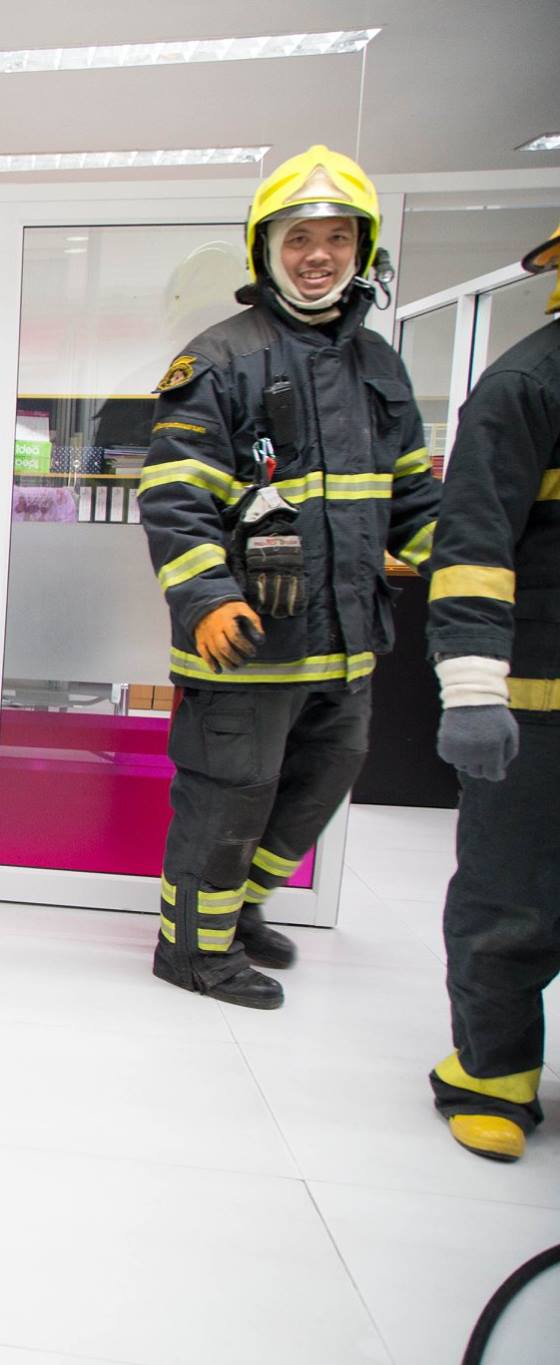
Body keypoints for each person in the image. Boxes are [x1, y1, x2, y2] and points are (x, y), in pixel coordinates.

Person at [139, 145, 441, 1010]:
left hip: (344, 642)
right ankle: (192, 949)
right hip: (246, 641)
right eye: (300, 237)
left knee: (321, 782)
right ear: (266, 249)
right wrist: (207, 596)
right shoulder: (220, 358)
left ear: (362, 249)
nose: (319, 255)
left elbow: (413, 494)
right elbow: (174, 495)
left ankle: (239, 910)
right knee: (228, 797)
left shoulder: (380, 364)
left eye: (338, 237)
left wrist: (455, 563)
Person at [424, 220, 560, 1163]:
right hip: (540, 704)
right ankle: (493, 1072)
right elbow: (472, 545)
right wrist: (473, 688)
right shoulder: (527, 383)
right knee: (514, 896)